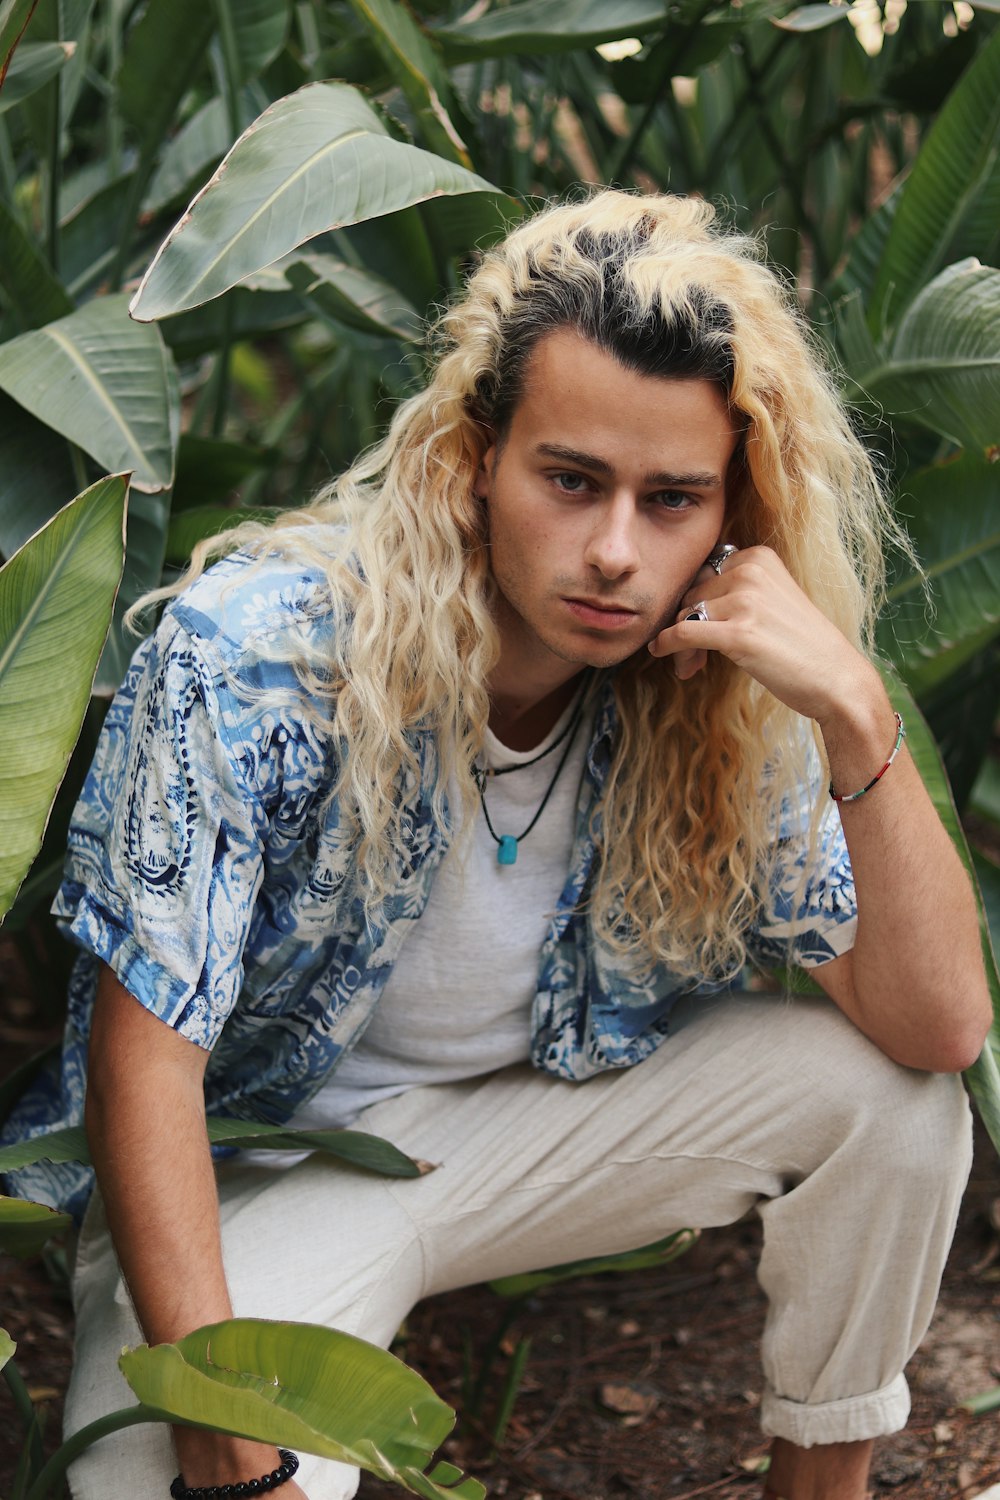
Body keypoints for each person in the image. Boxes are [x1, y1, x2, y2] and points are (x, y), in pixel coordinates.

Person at [2, 190, 991, 1500]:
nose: (615, 554)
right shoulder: (260, 657)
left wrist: (858, 717)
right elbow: (146, 1061)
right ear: (477, 458)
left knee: (894, 1104)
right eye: (571, 481)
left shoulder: (718, 692)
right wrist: (232, 1454)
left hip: (537, 1139)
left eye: (673, 499)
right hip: (255, 1182)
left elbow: (939, 1032)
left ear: (729, 516)